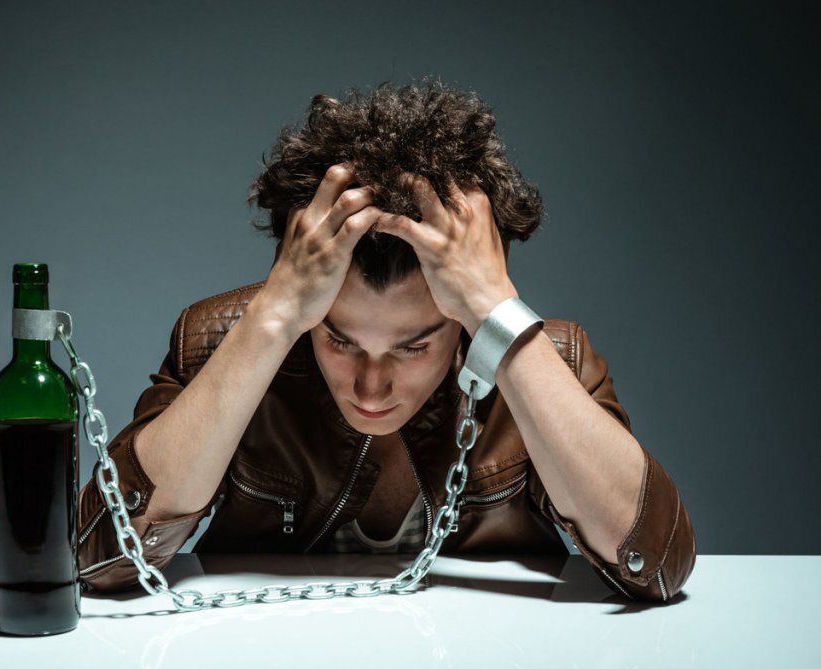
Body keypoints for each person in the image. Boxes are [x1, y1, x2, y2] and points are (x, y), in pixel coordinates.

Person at [77, 80, 696, 601]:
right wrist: (273, 319)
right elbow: (100, 558)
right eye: (339, 341)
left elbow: (659, 568)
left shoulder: (550, 361)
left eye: (413, 347)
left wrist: (497, 312)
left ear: (460, 316)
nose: (371, 388)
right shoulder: (221, 342)